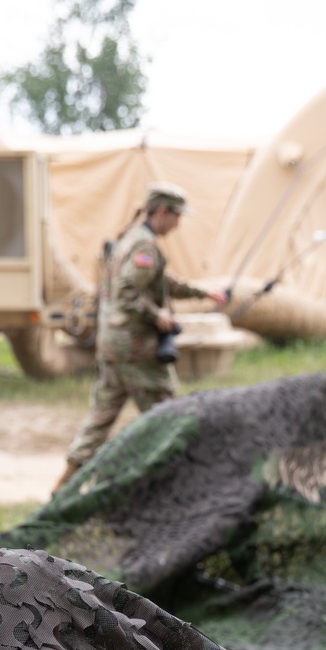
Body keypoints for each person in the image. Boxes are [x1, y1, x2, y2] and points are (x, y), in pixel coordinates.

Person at [52, 182, 228, 492]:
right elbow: (127, 292)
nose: (178, 224)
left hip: (112, 347)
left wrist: (204, 293)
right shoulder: (145, 246)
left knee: (99, 420)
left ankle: (63, 487)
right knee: (170, 416)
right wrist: (157, 316)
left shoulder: (129, 239)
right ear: (161, 211)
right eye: (176, 216)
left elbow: (159, 281)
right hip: (136, 351)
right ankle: (183, 488)